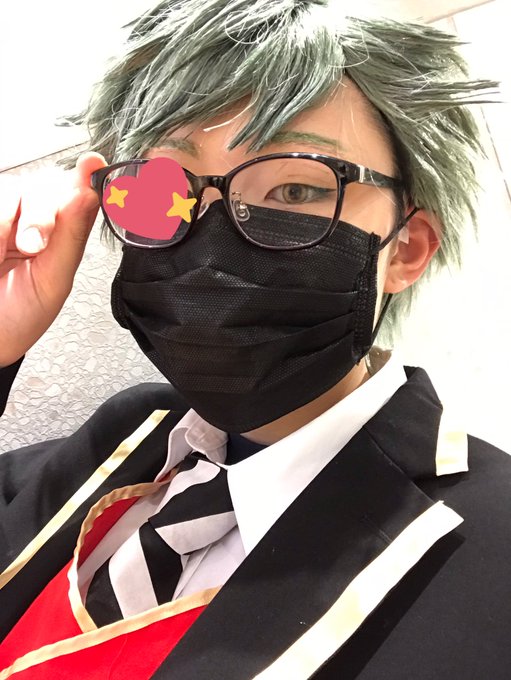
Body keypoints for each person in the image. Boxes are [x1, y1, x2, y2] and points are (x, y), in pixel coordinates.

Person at [0, 0, 509, 678]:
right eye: (162, 188)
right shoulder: (128, 434)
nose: (211, 245)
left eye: (295, 190)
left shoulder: (492, 555)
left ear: (406, 247)